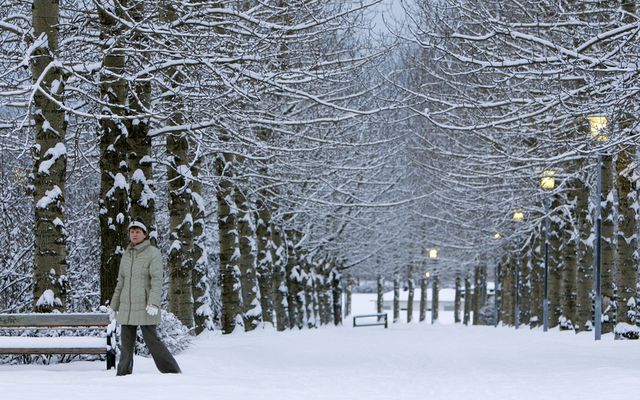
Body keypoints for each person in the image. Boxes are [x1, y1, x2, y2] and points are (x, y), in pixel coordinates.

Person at [110, 218, 181, 376]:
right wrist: (114, 306)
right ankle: (123, 374)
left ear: (144, 234)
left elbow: (157, 279)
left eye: (138, 232)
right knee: (126, 344)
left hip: (145, 305)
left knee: (152, 341)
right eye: (132, 232)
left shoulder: (152, 253)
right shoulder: (126, 255)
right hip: (127, 306)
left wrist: (154, 302)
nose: (134, 235)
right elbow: (120, 281)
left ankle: (172, 372)